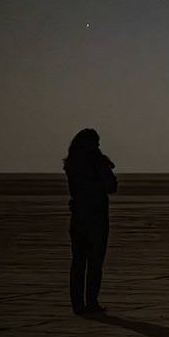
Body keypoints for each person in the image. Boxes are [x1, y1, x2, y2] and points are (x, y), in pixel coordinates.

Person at [64, 128, 118, 315]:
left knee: (79, 262)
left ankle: (78, 303)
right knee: (94, 263)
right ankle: (91, 302)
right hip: (96, 216)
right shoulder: (97, 163)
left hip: (79, 216)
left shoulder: (72, 164)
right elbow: (111, 186)